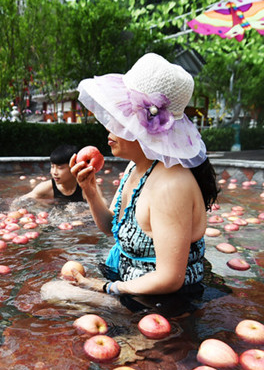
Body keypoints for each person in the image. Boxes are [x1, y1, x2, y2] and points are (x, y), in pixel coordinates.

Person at [68, 52, 218, 301]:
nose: (108, 127)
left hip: (164, 304)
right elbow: (111, 228)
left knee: (52, 292)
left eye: (120, 118)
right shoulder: (137, 167)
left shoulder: (171, 185)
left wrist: (104, 288)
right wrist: (90, 190)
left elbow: (170, 278)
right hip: (130, 285)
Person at [20, 144, 85, 203]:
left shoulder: (86, 188)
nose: (54, 172)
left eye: (60, 168)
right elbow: (20, 200)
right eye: (52, 167)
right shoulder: (46, 188)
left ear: (75, 167)